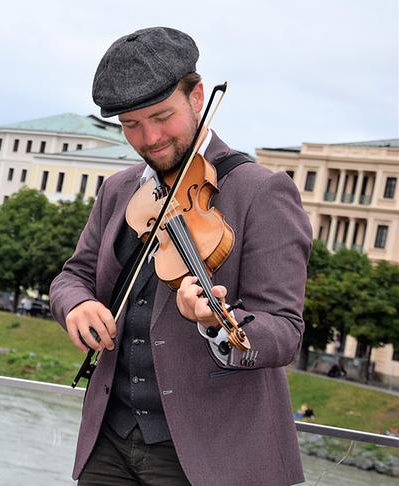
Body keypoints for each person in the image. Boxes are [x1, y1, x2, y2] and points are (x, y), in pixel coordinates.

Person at [50, 27, 311, 486]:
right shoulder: (118, 189)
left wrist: (218, 324)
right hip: (110, 441)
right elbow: (74, 275)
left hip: (210, 454)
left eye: (161, 116)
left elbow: (284, 331)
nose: (149, 138)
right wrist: (77, 303)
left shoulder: (262, 191)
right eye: (131, 124)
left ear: (197, 96)